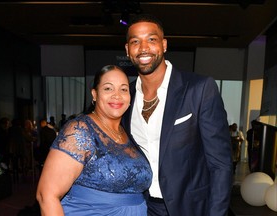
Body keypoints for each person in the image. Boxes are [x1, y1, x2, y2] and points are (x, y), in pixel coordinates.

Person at [122, 14, 233, 216]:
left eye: (151, 39)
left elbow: (220, 165)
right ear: (128, 50)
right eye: (135, 41)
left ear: (164, 45)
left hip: (191, 208)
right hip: (142, 208)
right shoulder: (125, 97)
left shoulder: (199, 89)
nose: (143, 48)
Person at [36, 65, 152, 216]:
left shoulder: (129, 133)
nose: (117, 95)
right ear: (94, 94)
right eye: (108, 88)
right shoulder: (80, 130)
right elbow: (46, 195)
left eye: (123, 89)